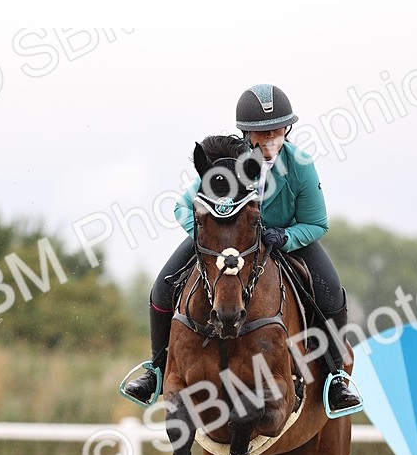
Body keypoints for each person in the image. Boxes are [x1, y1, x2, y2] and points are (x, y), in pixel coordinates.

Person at [122, 83, 362, 414]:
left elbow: (317, 223)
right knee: (162, 288)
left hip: (287, 240)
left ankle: (335, 377)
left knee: (332, 292)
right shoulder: (228, 165)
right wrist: (207, 241)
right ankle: (156, 370)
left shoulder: (300, 165)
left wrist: (285, 237)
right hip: (226, 243)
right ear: (247, 134)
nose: (270, 141)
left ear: (287, 129)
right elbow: (182, 206)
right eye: (262, 134)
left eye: (277, 131)